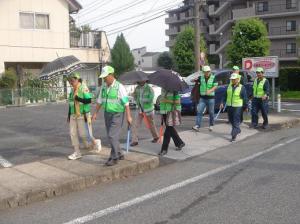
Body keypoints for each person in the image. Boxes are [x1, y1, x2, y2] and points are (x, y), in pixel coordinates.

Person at [92, 66, 133, 166]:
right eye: (103, 77)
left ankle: (114, 157)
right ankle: (119, 153)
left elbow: (126, 103)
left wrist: (129, 116)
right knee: (112, 136)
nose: (104, 79)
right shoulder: (104, 87)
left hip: (117, 114)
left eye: (106, 77)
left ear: (111, 75)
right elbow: (99, 101)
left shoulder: (119, 87)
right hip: (107, 114)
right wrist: (95, 113)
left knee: (112, 135)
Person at [67, 72, 101, 160]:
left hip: (83, 114)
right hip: (73, 115)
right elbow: (71, 103)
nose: (71, 82)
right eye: (70, 81)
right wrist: (68, 115)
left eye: (72, 80)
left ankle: (95, 142)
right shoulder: (72, 90)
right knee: (72, 133)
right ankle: (77, 152)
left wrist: (77, 98)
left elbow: (88, 100)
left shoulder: (83, 87)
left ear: (77, 79)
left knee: (84, 135)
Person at [220, 73, 248, 142]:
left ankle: (233, 136)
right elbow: (224, 95)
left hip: (238, 106)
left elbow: (245, 98)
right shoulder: (229, 86)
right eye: (231, 79)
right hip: (229, 106)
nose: (232, 80)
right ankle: (237, 129)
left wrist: (246, 106)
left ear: (238, 80)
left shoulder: (242, 87)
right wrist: (222, 103)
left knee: (235, 120)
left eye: (234, 79)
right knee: (231, 120)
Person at [130, 81, 159, 146]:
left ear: (144, 80)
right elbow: (135, 96)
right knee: (135, 125)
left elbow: (151, 99)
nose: (139, 82)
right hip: (139, 109)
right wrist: (135, 97)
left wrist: (142, 100)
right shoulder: (137, 88)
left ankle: (156, 137)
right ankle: (135, 140)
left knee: (151, 124)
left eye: (140, 80)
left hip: (148, 109)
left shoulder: (149, 88)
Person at [158, 89, 185, 156]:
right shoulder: (163, 89)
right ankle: (179, 143)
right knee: (170, 129)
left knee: (168, 130)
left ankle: (164, 149)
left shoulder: (174, 90)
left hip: (170, 112)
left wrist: (166, 100)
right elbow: (162, 99)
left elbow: (178, 102)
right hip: (164, 111)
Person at [192, 65, 218, 132]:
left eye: (208, 71)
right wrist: (194, 80)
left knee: (211, 112)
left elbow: (215, 86)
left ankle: (211, 125)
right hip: (202, 98)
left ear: (210, 71)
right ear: (203, 72)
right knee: (199, 111)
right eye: (205, 72)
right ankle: (197, 125)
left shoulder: (213, 77)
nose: (207, 73)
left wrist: (210, 90)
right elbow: (195, 81)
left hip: (211, 98)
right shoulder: (201, 77)